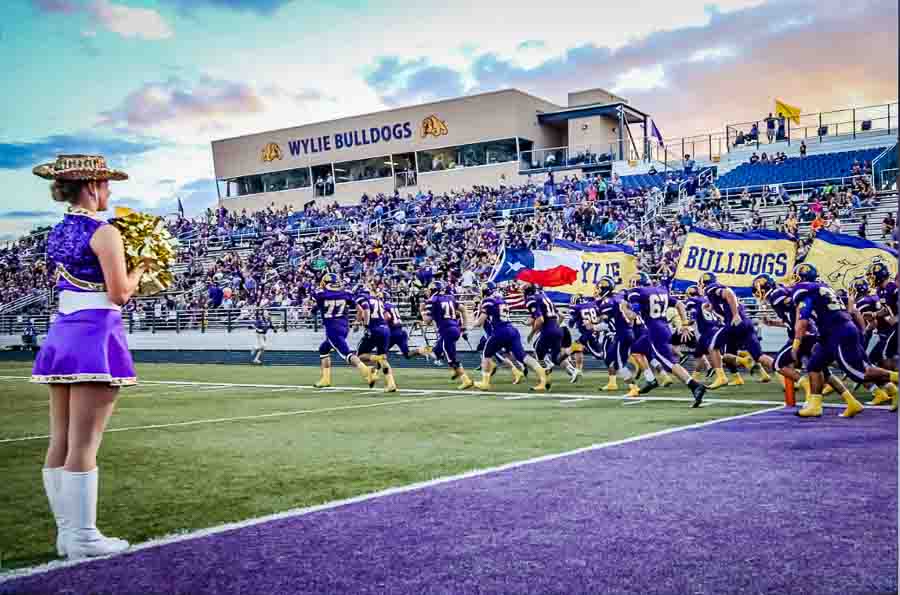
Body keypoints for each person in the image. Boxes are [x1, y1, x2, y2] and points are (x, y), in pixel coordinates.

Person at [31, 154, 149, 559]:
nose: (110, 191)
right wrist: (142, 269)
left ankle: (67, 534)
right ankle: (83, 537)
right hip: (96, 334)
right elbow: (119, 293)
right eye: (106, 184)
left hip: (63, 332)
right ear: (92, 186)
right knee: (84, 443)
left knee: (60, 440)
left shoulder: (57, 232)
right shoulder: (105, 232)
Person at [791, 263, 898, 416]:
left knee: (860, 374)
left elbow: (803, 319)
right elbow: (852, 309)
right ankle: (816, 405)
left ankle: (896, 379)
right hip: (831, 333)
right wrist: (861, 332)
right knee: (814, 365)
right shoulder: (823, 287)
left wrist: (796, 344)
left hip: (838, 331)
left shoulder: (803, 290)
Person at [624, 272, 707, 406]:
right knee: (636, 348)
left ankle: (695, 385)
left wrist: (624, 308)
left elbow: (632, 316)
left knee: (669, 364)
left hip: (654, 331)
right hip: (662, 327)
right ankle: (651, 379)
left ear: (636, 283)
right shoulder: (660, 290)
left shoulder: (636, 292)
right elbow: (679, 304)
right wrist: (684, 323)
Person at [471, 282, 547, 391]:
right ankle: (543, 380)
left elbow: (480, 322)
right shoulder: (502, 300)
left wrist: (470, 326)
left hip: (500, 331)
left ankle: (485, 382)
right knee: (523, 356)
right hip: (512, 330)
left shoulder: (487, 301)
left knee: (486, 355)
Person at [311, 273, 375, 388]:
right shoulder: (346, 293)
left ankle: (366, 371)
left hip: (332, 329)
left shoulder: (320, 294)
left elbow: (314, 305)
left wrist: (314, 310)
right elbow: (360, 310)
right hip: (344, 327)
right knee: (323, 349)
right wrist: (356, 322)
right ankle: (325, 379)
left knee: (346, 354)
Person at [422, 280, 474, 389]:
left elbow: (427, 321)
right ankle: (457, 371)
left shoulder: (432, 300)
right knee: (437, 352)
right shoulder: (450, 297)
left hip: (446, 331)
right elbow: (463, 310)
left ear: (432, 290)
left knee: (451, 357)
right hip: (455, 328)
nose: (427, 291)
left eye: (429, 289)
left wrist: (422, 311)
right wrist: (464, 327)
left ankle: (466, 379)